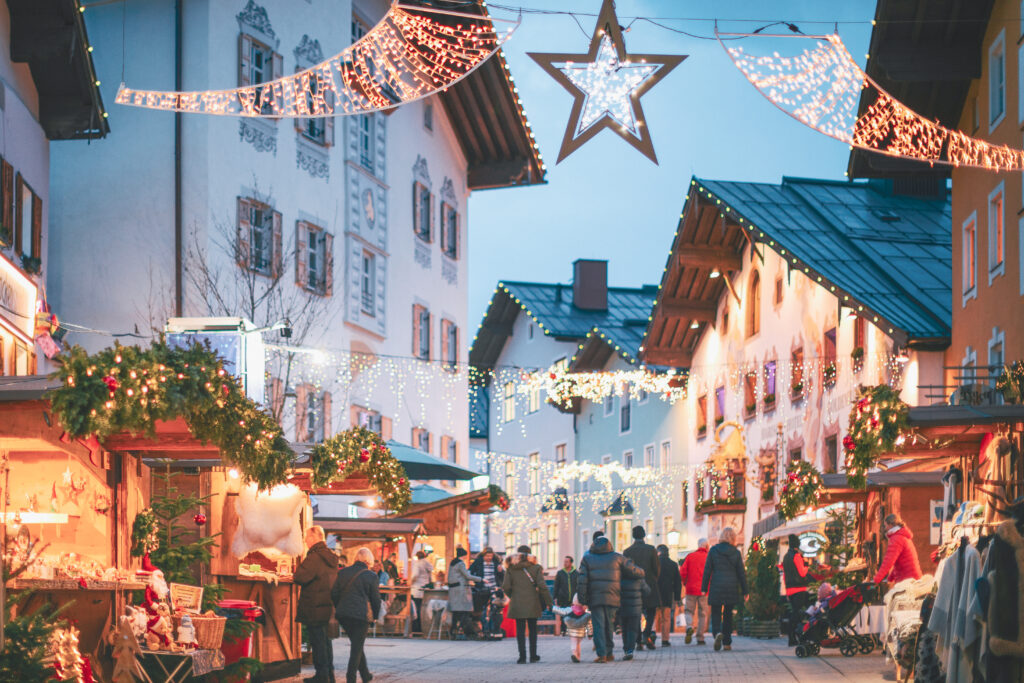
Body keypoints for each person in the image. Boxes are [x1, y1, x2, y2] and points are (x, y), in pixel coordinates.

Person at [577, 533, 644, 663]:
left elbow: (582, 581)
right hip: (613, 596)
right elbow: (636, 571)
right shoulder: (617, 557)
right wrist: (641, 573)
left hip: (595, 598)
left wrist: (582, 599)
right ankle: (609, 653)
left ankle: (602, 654)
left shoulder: (587, 558)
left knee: (598, 626)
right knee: (609, 625)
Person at [294, 526, 338, 683]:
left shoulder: (314, 557)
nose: (305, 541)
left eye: (307, 537)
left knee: (318, 642)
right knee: (326, 642)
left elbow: (299, 577)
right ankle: (328, 674)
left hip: (314, 606)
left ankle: (321, 676)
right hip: (327, 606)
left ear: (314, 537)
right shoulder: (331, 557)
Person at [331, 547, 381, 683]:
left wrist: (340, 607)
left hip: (344, 615)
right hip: (360, 616)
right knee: (357, 646)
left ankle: (365, 675)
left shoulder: (343, 572)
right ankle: (350, 677)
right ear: (368, 560)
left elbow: (334, 593)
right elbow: (376, 599)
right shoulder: (371, 576)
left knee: (357, 644)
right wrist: (375, 616)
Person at [502, 544, 553, 663]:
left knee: (520, 630)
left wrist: (513, 596)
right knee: (532, 629)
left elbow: (506, 586)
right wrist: (549, 602)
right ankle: (533, 655)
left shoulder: (511, 568)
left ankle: (522, 657)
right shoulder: (536, 568)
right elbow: (542, 586)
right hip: (533, 602)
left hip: (517, 603)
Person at [700, 527, 748, 652]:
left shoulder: (713, 550)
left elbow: (707, 570)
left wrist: (704, 588)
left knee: (715, 612)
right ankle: (727, 643)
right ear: (733, 538)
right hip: (731, 587)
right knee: (728, 615)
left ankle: (716, 633)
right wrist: (745, 591)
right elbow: (741, 573)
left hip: (717, 585)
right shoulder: (736, 552)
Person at [781, 533, 826, 646]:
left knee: (795, 612)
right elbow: (802, 572)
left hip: (790, 589)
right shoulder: (796, 556)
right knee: (800, 612)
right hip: (799, 588)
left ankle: (793, 637)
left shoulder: (786, 557)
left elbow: (785, 575)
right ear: (797, 545)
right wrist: (807, 566)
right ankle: (795, 635)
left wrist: (786, 589)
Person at [623, 525, 660, 651]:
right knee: (651, 611)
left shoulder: (627, 552)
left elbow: (625, 570)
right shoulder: (651, 549)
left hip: (633, 585)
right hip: (649, 584)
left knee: (636, 614)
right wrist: (653, 579)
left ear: (633, 536)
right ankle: (646, 633)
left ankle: (638, 641)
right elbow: (656, 569)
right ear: (644, 535)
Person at [873, 513, 923, 585]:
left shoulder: (896, 539)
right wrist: (891, 577)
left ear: (891, 525)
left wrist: (876, 580)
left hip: (907, 580)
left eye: (886, 525)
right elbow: (901, 561)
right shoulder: (902, 536)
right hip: (913, 578)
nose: (885, 528)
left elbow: (888, 562)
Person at [619, 551, 648, 660]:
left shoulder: (619, 578)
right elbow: (647, 591)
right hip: (636, 608)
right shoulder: (639, 579)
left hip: (623, 607)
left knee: (625, 629)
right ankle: (630, 650)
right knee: (633, 629)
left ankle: (626, 649)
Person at [447, 547, 481, 640]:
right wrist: (480, 579)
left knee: (456, 612)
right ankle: (468, 632)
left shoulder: (452, 563)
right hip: (460, 590)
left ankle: (453, 631)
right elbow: (467, 576)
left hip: (453, 590)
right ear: (464, 555)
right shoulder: (461, 563)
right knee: (463, 611)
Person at [680, 538, 709, 645]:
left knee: (688, 611)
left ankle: (689, 627)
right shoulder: (708, 557)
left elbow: (682, 571)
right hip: (704, 590)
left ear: (698, 545)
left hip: (691, 588)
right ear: (707, 546)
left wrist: (684, 582)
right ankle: (700, 638)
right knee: (703, 613)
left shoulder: (690, 556)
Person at [552, 594, 592, 663]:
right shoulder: (586, 612)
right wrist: (590, 634)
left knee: (574, 642)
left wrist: (552, 608)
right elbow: (589, 624)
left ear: (573, 602)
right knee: (578, 643)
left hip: (572, 629)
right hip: (581, 631)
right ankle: (578, 656)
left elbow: (560, 610)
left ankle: (574, 653)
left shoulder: (569, 609)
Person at [655, 544, 681, 646]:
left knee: (654, 616)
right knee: (666, 618)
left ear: (658, 552)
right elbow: (677, 582)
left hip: (656, 595)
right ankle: (665, 640)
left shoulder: (655, 563)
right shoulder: (673, 564)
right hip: (667, 595)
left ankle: (651, 636)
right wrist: (677, 597)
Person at [408, 550, 433, 635]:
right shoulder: (427, 563)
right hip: (424, 589)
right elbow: (430, 576)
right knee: (421, 608)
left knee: (415, 609)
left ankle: (416, 628)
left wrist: (409, 582)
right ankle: (423, 628)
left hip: (416, 589)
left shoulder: (418, 564)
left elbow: (415, 575)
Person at [553, 556, 579, 635]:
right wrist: (555, 597)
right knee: (563, 615)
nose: (565, 563)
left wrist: (579, 597)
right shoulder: (560, 573)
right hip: (562, 598)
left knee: (573, 615)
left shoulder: (576, 573)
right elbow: (556, 586)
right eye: (564, 562)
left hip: (573, 599)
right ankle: (563, 630)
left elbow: (579, 586)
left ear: (571, 563)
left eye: (567, 562)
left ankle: (571, 630)